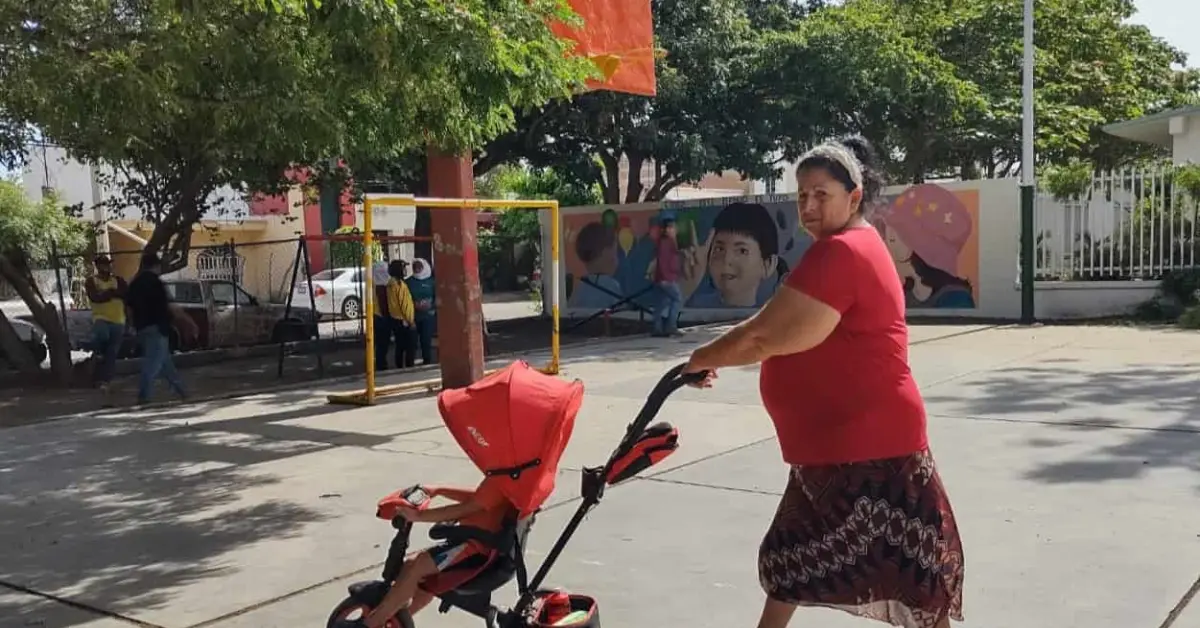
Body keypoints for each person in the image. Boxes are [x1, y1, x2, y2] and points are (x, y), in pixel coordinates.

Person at [682, 137, 964, 628]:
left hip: (870, 449)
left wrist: (700, 358)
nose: (808, 206)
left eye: (821, 194)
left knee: (912, 581)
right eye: (802, 195)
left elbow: (763, 337)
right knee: (792, 562)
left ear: (854, 197)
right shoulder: (850, 245)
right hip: (836, 449)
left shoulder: (842, 252)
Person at [345, 478, 517, 628]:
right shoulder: (513, 476)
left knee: (417, 566)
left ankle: (371, 624)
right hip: (480, 542)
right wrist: (439, 490)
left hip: (477, 548)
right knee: (415, 572)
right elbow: (480, 497)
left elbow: (468, 507)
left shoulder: (505, 475)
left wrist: (417, 516)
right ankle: (394, 617)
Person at [125, 253, 198, 405]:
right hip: (157, 327)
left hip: (142, 327)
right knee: (153, 363)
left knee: (165, 363)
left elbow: (128, 308)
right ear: (156, 266)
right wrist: (189, 322)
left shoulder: (134, 284)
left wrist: (132, 326)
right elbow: (171, 307)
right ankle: (144, 396)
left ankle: (183, 392)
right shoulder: (156, 283)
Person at [682, 202, 786, 308]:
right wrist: (686, 288)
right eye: (719, 249)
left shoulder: (774, 313)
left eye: (742, 251)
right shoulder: (693, 305)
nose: (726, 259)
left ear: (768, 265)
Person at [84, 255, 128, 391]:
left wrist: (107, 294)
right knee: (102, 335)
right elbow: (95, 298)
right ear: (97, 267)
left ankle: (105, 380)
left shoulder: (118, 280)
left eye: (108, 264)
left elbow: (125, 294)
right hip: (101, 317)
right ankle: (96, 349)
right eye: (103, 265)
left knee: (112, 352)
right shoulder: (92, 281)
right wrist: (111, 293)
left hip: (118, 319)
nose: (107, 267)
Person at [569, 222, 623, 311]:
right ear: (606, 253)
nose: (616, 260)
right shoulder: (612, 286)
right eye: (616, 252)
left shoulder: (579, 288)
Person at [650, 218, 683, 337]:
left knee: (661, 303)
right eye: (672, 227)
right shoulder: (666, 242)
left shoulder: (664, 242)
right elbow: (663, 261)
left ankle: (657, 328)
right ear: (667, 229)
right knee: (677, 299)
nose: (675, 230)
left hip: (661, 278)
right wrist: (665, 277)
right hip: (666, 278)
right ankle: (671, 326)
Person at [406, 258, 436, 365]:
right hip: (413, 316)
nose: (417, 269)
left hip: (428, 316)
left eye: (419, 267)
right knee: (412, 341)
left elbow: (437, 297)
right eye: (415, 267)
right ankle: (410, 363)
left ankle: (427, 361)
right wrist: (414, 304)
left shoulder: (431, 281)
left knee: (426, 340)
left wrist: (431, 305)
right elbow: (405, 298)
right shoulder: (409, 282)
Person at [387, 259, 416, 369]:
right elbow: (404, 305)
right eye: (403, 267)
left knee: (400, 346)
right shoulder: (399, 285)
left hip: (395, 319)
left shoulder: (391, 284)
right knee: (410, 346)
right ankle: (409, 368)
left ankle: (399, 367)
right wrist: (411, 320)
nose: (405, 270)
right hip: (404, 320)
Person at [371, 261, 393, 370]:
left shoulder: (372, 283)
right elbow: (384, 304)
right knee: (383, 342)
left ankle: (380, 362)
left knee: (380, 342)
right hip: (383, 316)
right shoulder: (385, 284)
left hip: (375, 316)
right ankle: (381, 364)